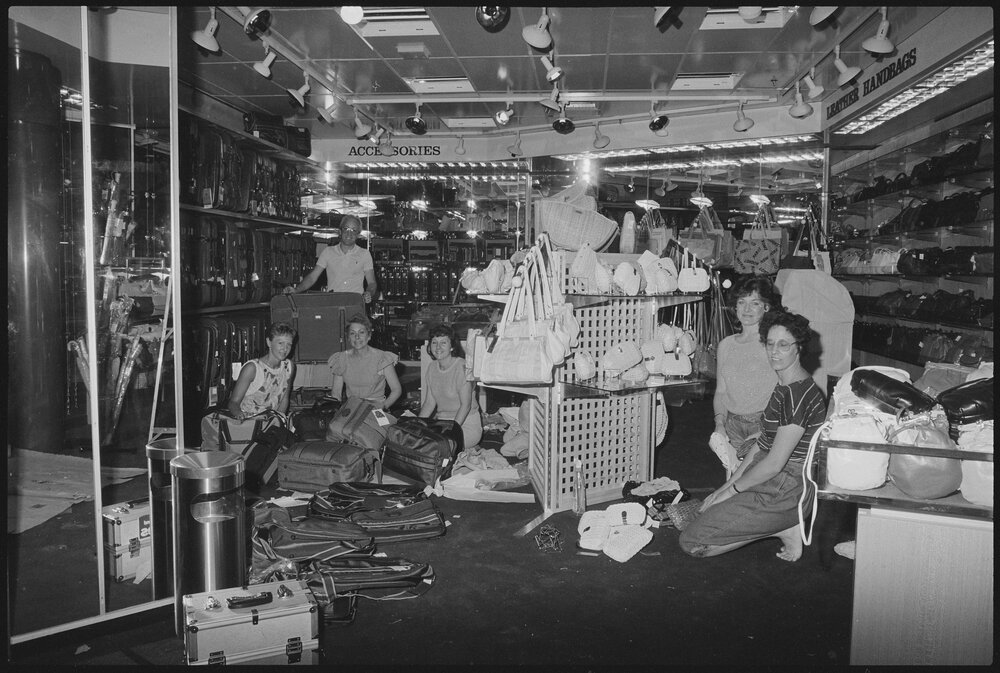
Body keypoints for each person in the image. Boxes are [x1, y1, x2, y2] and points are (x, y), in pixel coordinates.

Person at [680, 310, 827, 562]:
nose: (774, 351)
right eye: (770, 343)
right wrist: (723, 489)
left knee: (692, 543)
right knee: (697, 515)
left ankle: (782, 525)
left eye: (783, 344)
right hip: (769, 473)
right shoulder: (784, 385)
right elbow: (761, 445)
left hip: (785, 486)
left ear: (799, 347)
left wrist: (731, 493)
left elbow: (773, 464)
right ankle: (774, 522)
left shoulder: (797, 395)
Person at [711, 277, 783, 464]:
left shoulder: (773, 342)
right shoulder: (726, 345)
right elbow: (721, 391)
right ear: (735, 307)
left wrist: (768, 427)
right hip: (731, 425)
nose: (747, 309)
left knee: (755, 485)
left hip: (763, 424)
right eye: (741, 302)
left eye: (755, 303)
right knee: (732, 482)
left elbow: (786, 389)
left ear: (766, 307)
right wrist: (719, 424)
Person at [200, 322, 296, 450]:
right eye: (280, 343)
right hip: (248, 428)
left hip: (271, 427)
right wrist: (239, 415)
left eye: (289, 344)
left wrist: (279, 424)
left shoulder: (289, 367)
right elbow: (233, 402)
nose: (285, 349)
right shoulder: (252, 368)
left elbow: (284, 398)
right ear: (269, 342)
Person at [284, 215, 378, 303]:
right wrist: (296, 290)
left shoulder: (365, 254)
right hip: (333, 304)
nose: (349, 233)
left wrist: (369, 293)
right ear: (340, 231)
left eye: (354, 230)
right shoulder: (328, 252)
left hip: (355, 305)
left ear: (358, 234)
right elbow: (312, 277)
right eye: (346, 229)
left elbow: (372, 283)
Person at [419, 324, 483, 450]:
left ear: (452, 346)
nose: (438, 347)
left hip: (465, 424)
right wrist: (417, 426)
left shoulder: (462, 367)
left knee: (436, 448)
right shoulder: (432, 368)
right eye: (434, 342)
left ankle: (465, 447)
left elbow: (466, 406)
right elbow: (429, 404)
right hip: (442, 424)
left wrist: (453, 432)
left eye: (443, 342)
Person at [329, 313, 401, 410]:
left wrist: (383, 406)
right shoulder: (341, 359)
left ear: (369, 336)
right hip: (351, 409)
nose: (357, 337)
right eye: (352, 333)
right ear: (348, 338)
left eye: (361, 332)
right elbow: (336, 393)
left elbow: (396, 390)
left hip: (376, 409)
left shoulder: (382, 358)